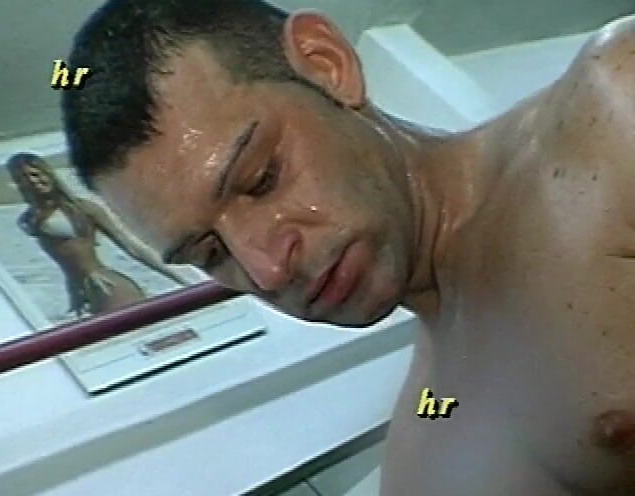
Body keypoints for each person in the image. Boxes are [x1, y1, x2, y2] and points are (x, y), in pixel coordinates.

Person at [60, 1, 634, 493]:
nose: (266, 270)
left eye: (262, 178)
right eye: (211, 254)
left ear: (327, 65)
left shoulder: (616, 112)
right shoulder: (422, 456)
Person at [6, 152, 186, 317]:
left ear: (49, 174)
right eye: (24, 178)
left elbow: (131, 247)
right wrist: (73, 291)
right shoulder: (32, 219)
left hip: (106, 285)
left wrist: (178, 278)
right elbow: (66, 262)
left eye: (36, 174)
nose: (33, 181)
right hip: (84, 291)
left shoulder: (82, 209)